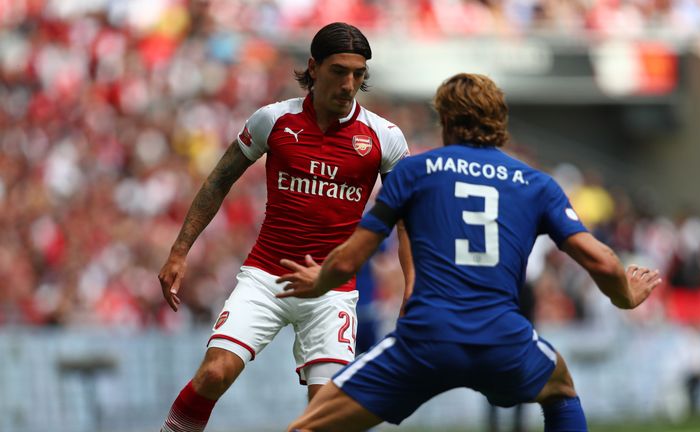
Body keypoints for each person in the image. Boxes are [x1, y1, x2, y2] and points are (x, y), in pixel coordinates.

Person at [276, 73, 662, 432]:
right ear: (500, 121)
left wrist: (318, 281)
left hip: (427, 340)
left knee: (307, 426)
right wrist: (626, 297)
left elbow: (348, 258)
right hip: (503, 339)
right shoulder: (535, 184)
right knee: (560, 387)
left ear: (445, 119)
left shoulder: (415, 172)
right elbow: (601, 260)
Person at [156, 22, 412, 432]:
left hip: (331, 290)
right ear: (313, 67)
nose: (349, 84)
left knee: (327, 415)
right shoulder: (273, 120)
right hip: (265, 276)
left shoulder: (385, 138)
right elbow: (219, 180)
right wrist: (179, 251)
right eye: (339, 71)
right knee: (213, 374)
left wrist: (412, 286)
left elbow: (408, 217)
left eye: (358, 74)